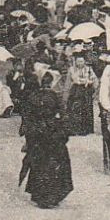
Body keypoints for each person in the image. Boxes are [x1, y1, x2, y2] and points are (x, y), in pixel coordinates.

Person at [22, 71, 73, 209]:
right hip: (52, 134)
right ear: (51, 83)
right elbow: (64, 116)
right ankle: (52, 197)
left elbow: (27, 118)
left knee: (39, 164)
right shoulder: (55, 96)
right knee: (57, 163)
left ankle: (39, 196)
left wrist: (29, 138)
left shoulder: (32, 96)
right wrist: (63, 133)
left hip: (37, 135)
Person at [63, 53, 97, 136]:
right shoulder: (71, 69)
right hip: (75, 92)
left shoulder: (89, 69)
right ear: (75, 62)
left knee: (86, 110)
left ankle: (86, 130)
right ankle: (74, 130)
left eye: (82, 61)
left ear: (84, 61)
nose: (80, 63)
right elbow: (69, 82)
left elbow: (94, 79)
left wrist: (89, 82)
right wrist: (66, 95)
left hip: (86, 92)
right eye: (78, 61)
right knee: (75, 110)